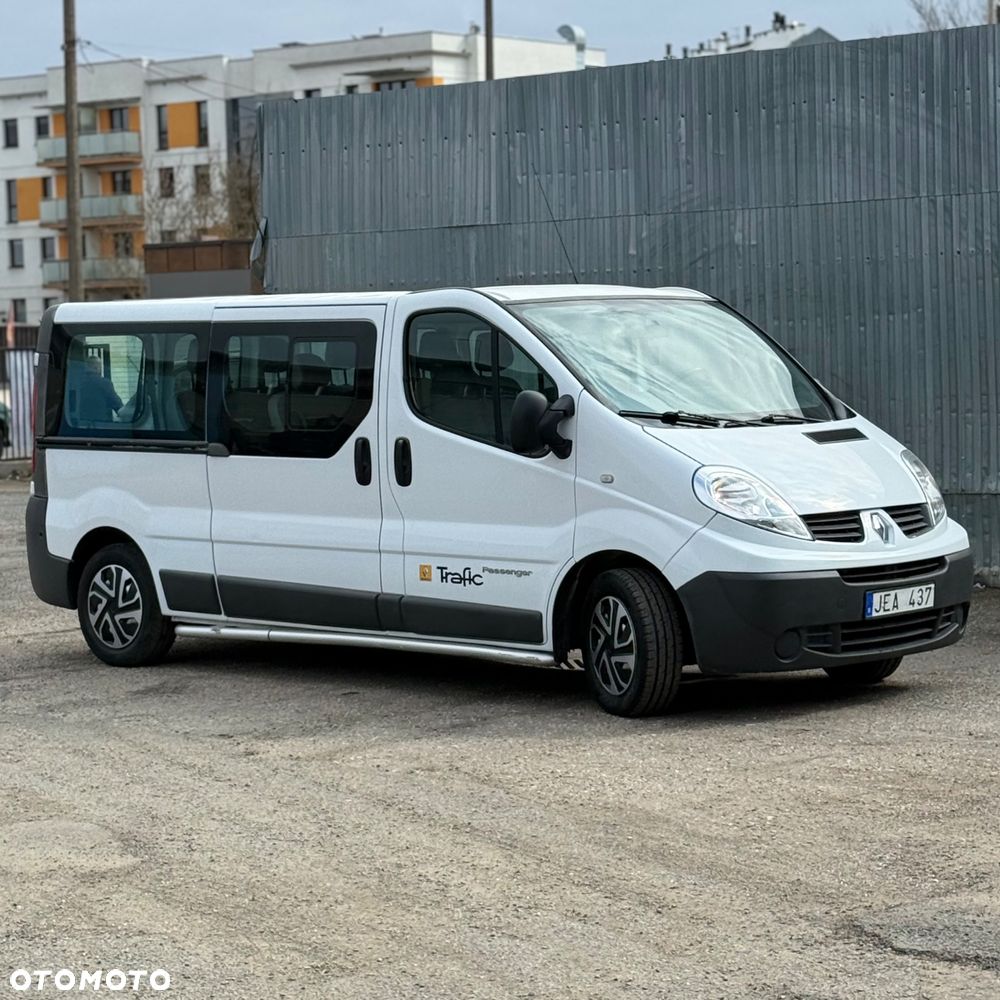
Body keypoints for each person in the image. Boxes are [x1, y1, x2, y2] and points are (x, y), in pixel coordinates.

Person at [76, 356, 123, 424]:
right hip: (100, 424)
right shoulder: (104, 383)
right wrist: (125, 414)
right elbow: (116, 404)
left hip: (80, 424)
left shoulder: (77, 383)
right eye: (100, 366)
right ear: (97, 367)